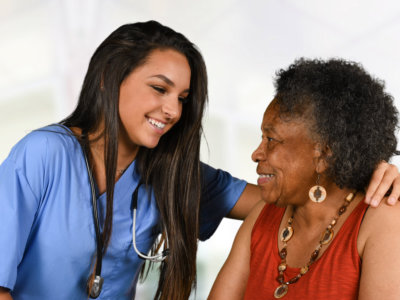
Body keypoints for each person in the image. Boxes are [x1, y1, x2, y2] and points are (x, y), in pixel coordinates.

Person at [0, 22, 397, 300]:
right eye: (159, 88)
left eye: (183, 99)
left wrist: (371, 173)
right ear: (108, 78)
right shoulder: (44, 155)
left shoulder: (172, 174)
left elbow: (297, 200)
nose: (172, 110)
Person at [208, 58, 400, 299]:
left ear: (324, 152)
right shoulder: (262, 216)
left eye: (271, 139)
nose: (256, 154)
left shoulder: (383, 220)